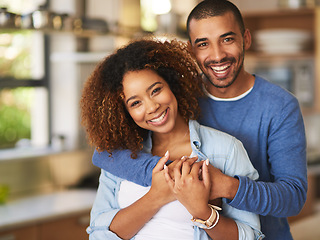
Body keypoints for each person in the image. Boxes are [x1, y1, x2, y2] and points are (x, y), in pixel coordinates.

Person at [91, 1, 308, 239]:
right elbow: (105, 155)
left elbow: (293, 198)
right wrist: (170, 177)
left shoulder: (279, 106)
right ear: (191, 50)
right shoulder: (177, 99)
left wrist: (224, 185)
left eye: (227, 39)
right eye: (203, 44)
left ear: (246, 39)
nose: (217, 55)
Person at [81, 38, 263, 239]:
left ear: (172, 84)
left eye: (156, 90)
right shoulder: (120, 156)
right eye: (135, 103)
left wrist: (202, 212)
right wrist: (156, 196)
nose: (152, 107)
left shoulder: (226, 149)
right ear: (124, 112)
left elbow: (251, 236)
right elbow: (98, 234)